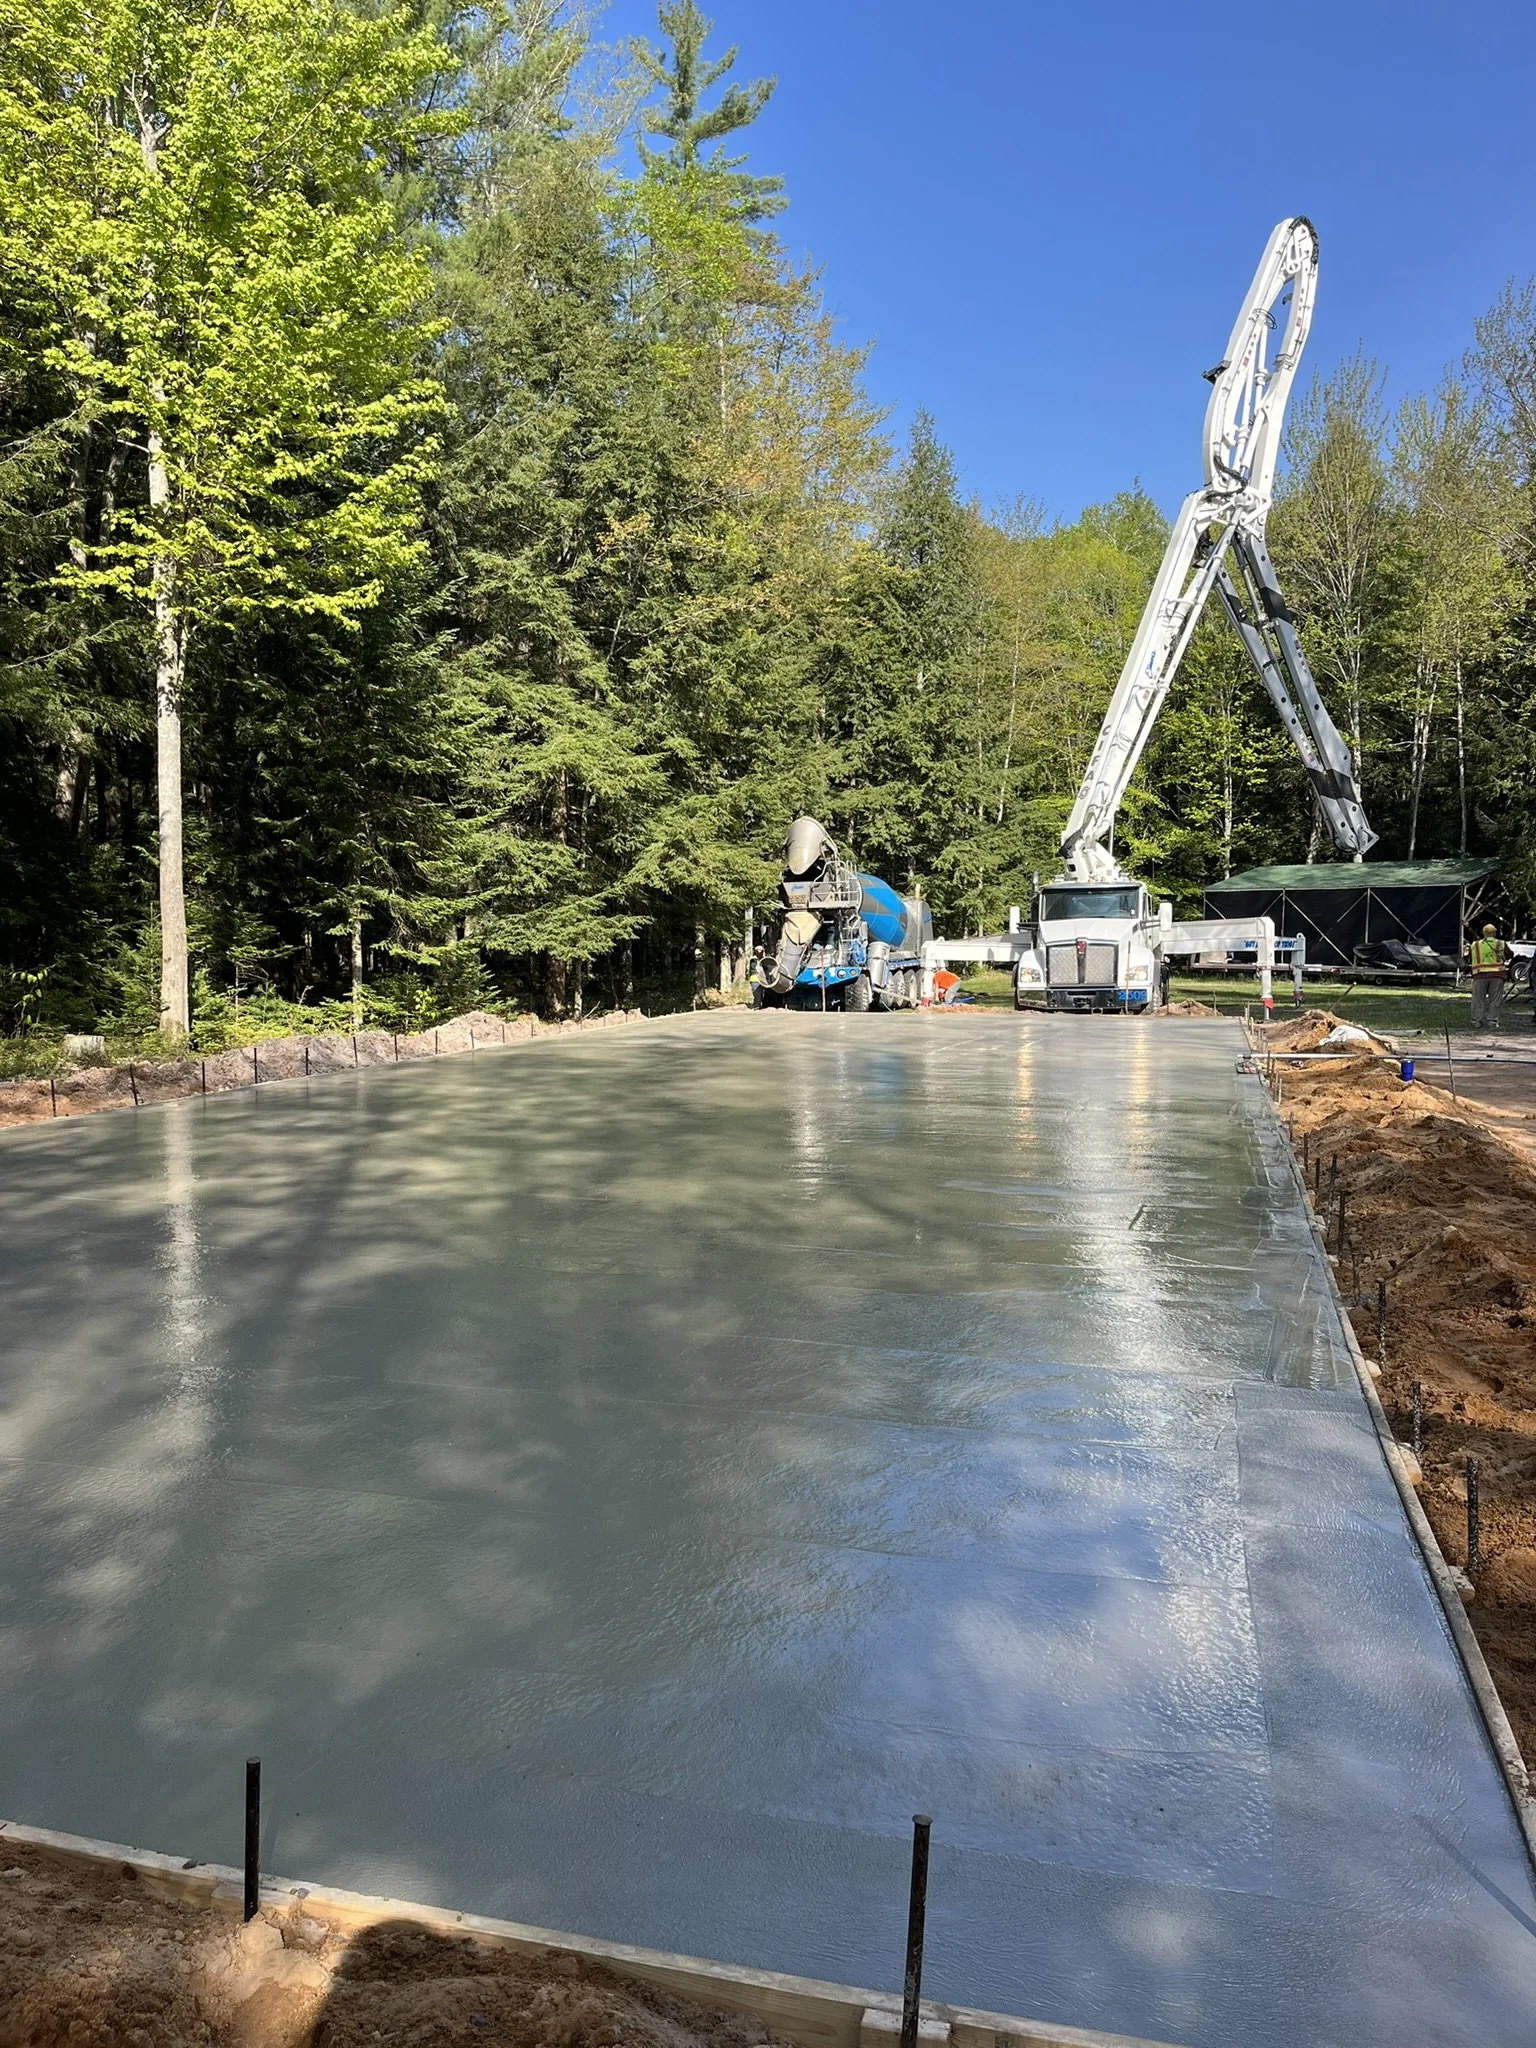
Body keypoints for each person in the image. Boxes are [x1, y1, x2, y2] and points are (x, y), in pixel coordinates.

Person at [1467, 922, 1511, 1031]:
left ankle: (1476, 1021)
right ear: (1495, 932)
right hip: (1497, 975)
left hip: (1479, 975)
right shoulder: (1501, 943)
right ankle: (1492, 1021)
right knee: (1495, 1000)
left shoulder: (1475, 945)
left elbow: (1469, 958)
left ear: (1483, 933)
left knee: (1478, 1000)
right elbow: (1510, 954)